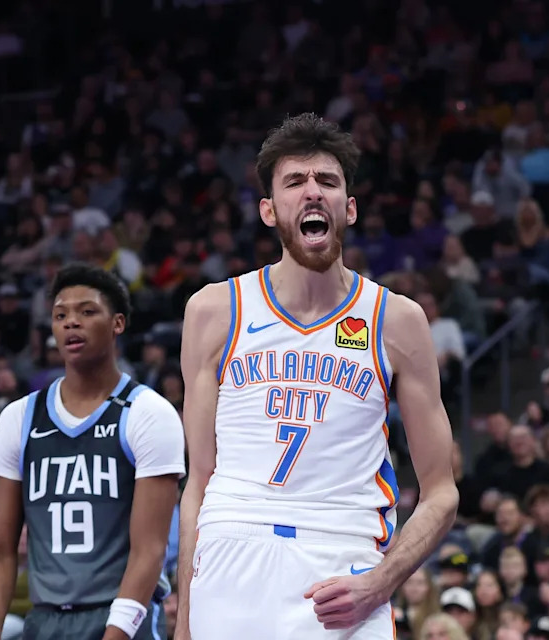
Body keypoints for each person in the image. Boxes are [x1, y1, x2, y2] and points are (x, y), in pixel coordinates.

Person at [176, 113, 459, 640]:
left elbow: (441, 492)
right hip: (232, 555)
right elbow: (200, 482)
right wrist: (185, 624)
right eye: (295, 182)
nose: (313, 193)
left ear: (348, 208)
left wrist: (381, 582)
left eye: (327, 182)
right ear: (268, 210)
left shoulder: (396, 319)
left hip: (343, 561)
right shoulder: (214, 311)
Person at [0, 264, 186, 640]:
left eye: (87, 312)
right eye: (61, 316)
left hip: (124, 618)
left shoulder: (148, 413)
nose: (71, 323)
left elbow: (149, 551)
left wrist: (115, 633)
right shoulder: (19, 417)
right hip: (45, 622)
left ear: (117, 324)